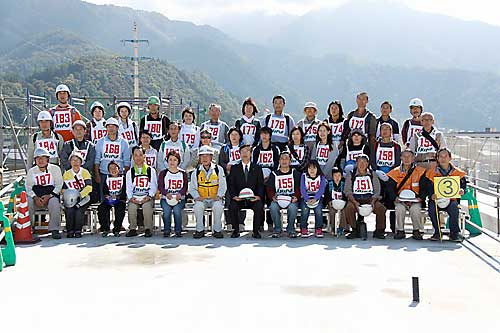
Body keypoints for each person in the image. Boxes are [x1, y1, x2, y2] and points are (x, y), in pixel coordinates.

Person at [423, 148, 466, 242]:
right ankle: (437, 232)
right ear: (437, 158)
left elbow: (463, 186)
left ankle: (454, 233)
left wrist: (462, 190)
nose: (443, 159)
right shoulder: (431, 172)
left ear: (450, 158)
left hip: (451, 200)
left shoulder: (458, 173)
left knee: (454, 209)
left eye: (445, 156)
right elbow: (427, 187)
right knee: (432, 209)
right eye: (440, 156)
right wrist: (431, 195)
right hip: (436, 199)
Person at [386, 149, 427, 240]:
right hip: (400, 200)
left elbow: (424, 188)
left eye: (409, 156)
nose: (406, 159)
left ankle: (416, 231)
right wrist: (395, 198)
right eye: (404, 156)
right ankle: (400, 231)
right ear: (401, 158)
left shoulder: (421, 171)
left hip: (415, 200)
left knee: (415, 209)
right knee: (399, 208)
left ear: (413, 158)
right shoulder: (395, 172)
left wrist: (421, 198)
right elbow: (390, 188)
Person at [344, 154, 386, 240]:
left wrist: (373, 201)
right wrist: (354, 202)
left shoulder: (373, 174)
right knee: (349, 208)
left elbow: (377, 190)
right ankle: (354, 229)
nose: (362, 164)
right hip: (355, 199)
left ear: (367, 164)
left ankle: (379, 230)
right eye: (359, 162)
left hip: (370, 199)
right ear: (356, 163)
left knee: (381, 208)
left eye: (364, 162)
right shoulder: (351, 175)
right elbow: (347, 190)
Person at [227, 145, 265, 239]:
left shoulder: (257, 168)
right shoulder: (235, 168)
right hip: (239, 198)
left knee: (259, 206)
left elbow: (260, 184)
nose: (245, 153)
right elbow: (231, 185)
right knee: (232, 206)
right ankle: (236, 230)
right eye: (242, 151)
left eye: (247, 151)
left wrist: (258, 196)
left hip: (253, 198)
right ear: (239, 154)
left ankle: (256, 231)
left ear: (251, 154)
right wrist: (234, 196)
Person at [189, 146, 227, 239]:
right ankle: (199, 230)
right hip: (202, 198)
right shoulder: (196, 171)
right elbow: (192, 188)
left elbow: (223, 185)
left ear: (211, 157)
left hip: (215, 198)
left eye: (207, 156)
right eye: (202, 156)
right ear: (199, 158)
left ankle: (217, 230)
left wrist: (219, 196)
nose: (205, 158)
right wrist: (197, 197)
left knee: (218, 206)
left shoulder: (219, 169)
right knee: (198, 206)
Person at [26, 148, 63, 239]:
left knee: (54, 202)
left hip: (50, 196)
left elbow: (59, 185)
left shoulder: (55, 169)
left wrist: (49, 196)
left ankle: (54, 229)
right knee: (28, 201)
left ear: (48, 159)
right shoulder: (32, 171)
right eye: (38, 158)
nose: (41, 160)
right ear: (35, 160)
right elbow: (28, 187)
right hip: (37, 197)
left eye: (43, 158)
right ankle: (29, 227)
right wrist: (35, 198)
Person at [371, 122, 401, 232]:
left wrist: (391, 175)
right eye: (382, 129)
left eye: (387, 129)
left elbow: (398, 162)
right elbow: (373, 160)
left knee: (392, 200)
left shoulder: (396, 146)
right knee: (379, 202)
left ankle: (394, 228)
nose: (384, 131)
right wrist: (377, 171)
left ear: (391, 132)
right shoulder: (376, 145)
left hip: (391, 178)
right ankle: (379, 228)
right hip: (378, 176)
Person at [94, 117, 131, 199]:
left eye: (113, 126)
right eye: (109, 126)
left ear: (117, 128)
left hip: (119, 175)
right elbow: (97, 160)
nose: (111, 128)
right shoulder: (100, 141)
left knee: (120, 200)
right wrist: (97, 175)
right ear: (106, 128)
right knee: (104, 199)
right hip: (104, 174)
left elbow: (127, 161)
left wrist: (125, 176)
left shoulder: (124, 142)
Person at [267, 151, 301, 238]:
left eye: (286, 159)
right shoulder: (274, 174)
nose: (284, 161)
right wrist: (272, 197)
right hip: (278, 198)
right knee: (273, 206)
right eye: (282, 159)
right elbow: (270, 188)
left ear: (290, 161)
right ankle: (277, 229)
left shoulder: (295, 173)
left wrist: (296, 197)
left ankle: (290, 229)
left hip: (291, 199)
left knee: (293, 207)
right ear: (279, 161)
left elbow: (298, 187)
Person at [125, 147, 158, 238]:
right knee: (131, 207)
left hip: (146, 197)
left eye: (140, 155)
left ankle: (148, 229)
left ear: (144, 156)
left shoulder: (150, 170)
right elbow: (129, 188)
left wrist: (149, 196)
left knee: (147, 207)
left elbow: (154, 186)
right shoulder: (130, 172)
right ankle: (132, 229)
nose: (138, 158)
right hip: (135, 197)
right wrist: (131, 198)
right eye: (135, 155)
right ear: (133, 157)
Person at [252, 126, 280, 230]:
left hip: (271, 178)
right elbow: (254, 165)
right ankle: (259, 224)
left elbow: (277, 164)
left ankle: (270, 223)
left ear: (270, 136)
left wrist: (270, 177)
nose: (264, 136)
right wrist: (259, 177)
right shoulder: (256, 149)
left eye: (266, 134)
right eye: (262, 134)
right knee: (259, 201)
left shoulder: (274, 148)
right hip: (259, 179)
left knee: (270, 200)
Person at [62, 151, 92, 238]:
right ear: (70, 162)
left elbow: (89, 187)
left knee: (79, 210)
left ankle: (78, 230)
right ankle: (70, 230)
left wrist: (79, 195)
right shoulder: (67, 174)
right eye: (73, 160)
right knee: (69, 210)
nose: (75, 162)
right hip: (70, 198)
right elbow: (63, 189)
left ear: (81, 162)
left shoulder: (85, 172)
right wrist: (68, 195)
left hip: (83, 198)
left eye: (77, 160)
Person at [158, 151, 188, 237]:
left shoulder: (183, 173)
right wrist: (166, 193)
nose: (172, 162)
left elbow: (185, 186)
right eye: (170, 159)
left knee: (177, 211)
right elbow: (160, 186)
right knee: (166, 211)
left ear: (178, 161)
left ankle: (178, 230)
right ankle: (167, 230)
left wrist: (180, 194)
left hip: (179, 199)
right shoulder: (163, 173)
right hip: (166, 198)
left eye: (175, 160)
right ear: (167, 161)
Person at [98, 161, 127, 237]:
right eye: (111, 168)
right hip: (109, 199)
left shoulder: (123, 178)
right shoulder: (107, 178)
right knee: (102, 208)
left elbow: (125, 190)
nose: (113, 170)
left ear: (119, 169)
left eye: (115, 168)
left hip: (120, 199)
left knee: (120, 210)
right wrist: (107, 196)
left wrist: (118, 197)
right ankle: (105, 228)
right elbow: (104, 190)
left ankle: (117, 229)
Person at [299, 160, 327, 238]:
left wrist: (315, 198)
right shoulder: (304, 176)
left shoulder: (321, 177)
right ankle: (303, 228)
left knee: (318, 209)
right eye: (310, 168)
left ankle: (318, 228)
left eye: (314, 168)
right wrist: (307, 199)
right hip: (306, 196)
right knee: (305, 209)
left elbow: (321, 189)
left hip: (317, 197)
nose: (312, 170)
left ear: (317, 169)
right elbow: (302, 189)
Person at [326, 167, 348, 236]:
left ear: (341, 176)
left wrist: (344, 201)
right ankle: (332, 227)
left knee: (344, 211)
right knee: (332, 212)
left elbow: (346, 194)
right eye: (335, 176)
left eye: (339, 175)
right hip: (332, 203)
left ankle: (341, 227)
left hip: (342, 203)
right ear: (332, 176)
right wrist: (329, 201)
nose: (337, 178)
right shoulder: (329, 184)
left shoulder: (344, 184)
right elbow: (326, 195)